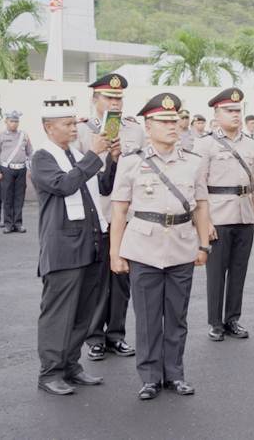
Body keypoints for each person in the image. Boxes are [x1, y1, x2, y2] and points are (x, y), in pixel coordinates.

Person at [110, 93, 211, 400]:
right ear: (148, 125)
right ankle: (151, 376)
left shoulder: (193, 163)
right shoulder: (131, 162)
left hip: (181, 244)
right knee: (148, 316)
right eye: (164, 122)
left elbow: (202, 206)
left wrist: (204, 245)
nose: (172, 126)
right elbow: (118, 210)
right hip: (143, 246)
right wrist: (116, 253)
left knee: (177, 315)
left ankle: (175, 374)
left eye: (174, 121)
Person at [31, 97, 118, 395]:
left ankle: (71, 366)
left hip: (90, 243)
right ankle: (50, 373)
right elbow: (64, 185)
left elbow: (103, 188)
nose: (72, 129)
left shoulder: (75, 156)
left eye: (73, 124)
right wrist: (93, 155)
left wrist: (112, 160)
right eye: (67, 125)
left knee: (83, 312)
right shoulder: (43, 157)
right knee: (58, 313)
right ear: (48, 128)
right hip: (64, 249)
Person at [77, 73, 144, 361]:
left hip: (126, 215)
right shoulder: (82, 131)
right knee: (95, 280)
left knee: (121, 279)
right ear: (95, 100)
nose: (115, 103)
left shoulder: (135, 130)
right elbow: (77, 173)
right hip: (96, 215)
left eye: (119, 98)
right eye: (109, 97)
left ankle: (116, 334)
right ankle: (94, 337)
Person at [195, 87, 254, 341]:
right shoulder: (205, 144)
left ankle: (232, 318)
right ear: (216, 113)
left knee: (239, 271)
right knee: (216, 273)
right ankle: (215, 322)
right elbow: (199, 186)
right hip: (219, 217)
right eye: (229, 110)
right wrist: (205, 223)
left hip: (244, 215)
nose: (235, 115)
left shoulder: (249, 143)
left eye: (238, 110)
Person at [0, 110, 32, 233]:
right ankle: (8, 224)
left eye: (16, 121)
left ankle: (18, 223)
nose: (14, 124)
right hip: (6, 170)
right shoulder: (0, 136)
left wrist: (30, 169)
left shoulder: (24, 135)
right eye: (11, 121)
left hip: (21, 169)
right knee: (7, 197)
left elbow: (30, 152)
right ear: (6, 122)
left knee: (19, 197)